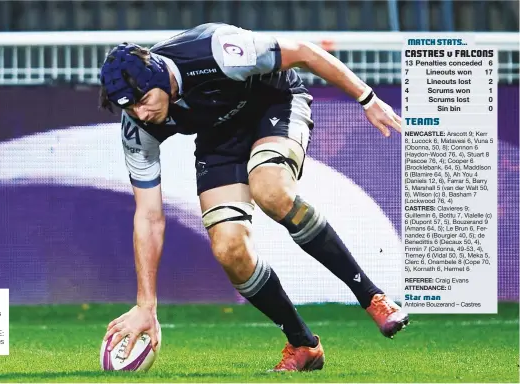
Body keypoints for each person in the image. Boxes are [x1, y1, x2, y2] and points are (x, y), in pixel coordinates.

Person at [100, 22, 408, 372]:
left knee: (270, 190)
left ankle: (373, 298)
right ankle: (303, 345)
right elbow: (148, 216)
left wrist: (366, 98)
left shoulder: (218, 51)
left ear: (159, 78)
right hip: (219, 139)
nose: (141, 113)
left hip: (274, 106)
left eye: (143, 101)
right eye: (129, 108)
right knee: (228, 248)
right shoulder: (137, 127)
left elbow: (304, 52)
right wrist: (146, 305)